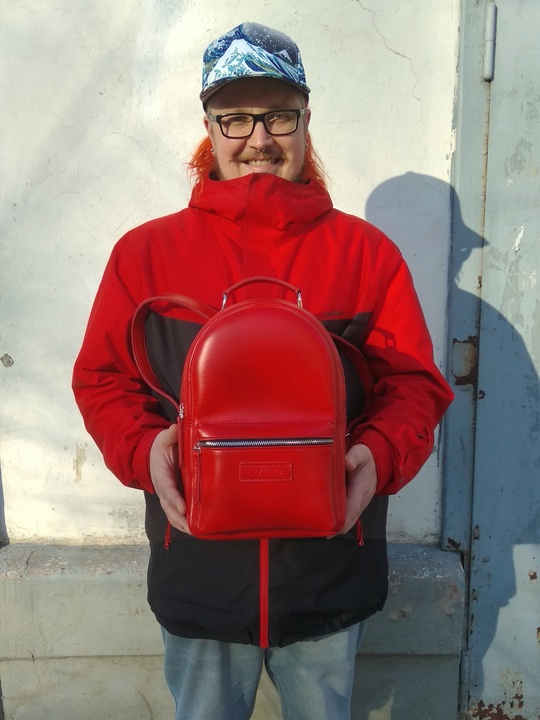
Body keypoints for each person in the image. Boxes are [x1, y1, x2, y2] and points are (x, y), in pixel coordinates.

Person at [72, 21, 454, 720]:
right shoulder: (145, 255)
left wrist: (375, 457)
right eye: (236, 118)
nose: (258, 138)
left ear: (306, 121)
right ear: (209, 127)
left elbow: (413, 387)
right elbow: (104, 381)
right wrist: (143, 448)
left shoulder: (365, 255)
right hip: (199, 570)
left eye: (278, 115)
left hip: (330, 567)